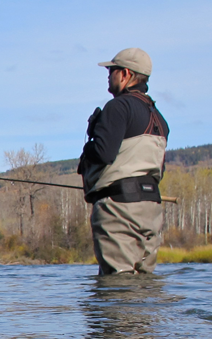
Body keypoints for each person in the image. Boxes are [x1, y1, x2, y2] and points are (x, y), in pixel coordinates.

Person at [77, 47, 169, 275]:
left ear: (126, 74)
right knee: (144, 286)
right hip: (151, 208)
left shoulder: (118, 107)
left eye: (112, 70)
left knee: (117, 285)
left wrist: (89, 146)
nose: (108, 75)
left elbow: (103, 153)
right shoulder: (158, 117)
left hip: (119, 209)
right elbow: (159, 169)